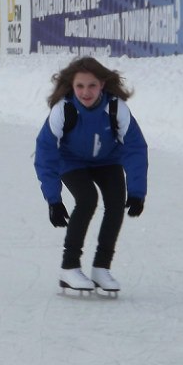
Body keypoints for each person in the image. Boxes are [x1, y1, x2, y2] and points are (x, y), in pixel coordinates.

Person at [34, 56, 148, 293]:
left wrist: (137, 191)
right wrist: (53, 199)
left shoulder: (116, 108)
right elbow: (45, 152)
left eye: (92, 85)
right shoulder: (63, 109)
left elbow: (135, 148)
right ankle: (69, 267)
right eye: (80, 86)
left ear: (103, 85)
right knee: (87, 199)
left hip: (107, 160)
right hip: (71, 162)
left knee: (116, 201)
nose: (86, 92)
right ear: (72, 86)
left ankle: (101, 268)